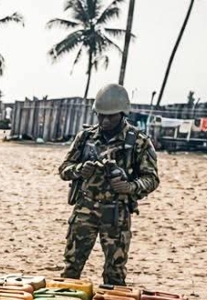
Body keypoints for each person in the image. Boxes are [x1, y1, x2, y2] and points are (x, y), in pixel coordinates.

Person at [58, 83, 160, 286]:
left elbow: (152, 178)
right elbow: (64, 169)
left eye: (110, 117)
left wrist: (130, 187)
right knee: (71, 268)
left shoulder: (138, 141)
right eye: (101, 116)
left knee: (115, 273)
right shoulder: (86, 137)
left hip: (116, 213)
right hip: (85, 209)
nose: (104, 121)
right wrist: (80, 170)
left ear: (123, 114)